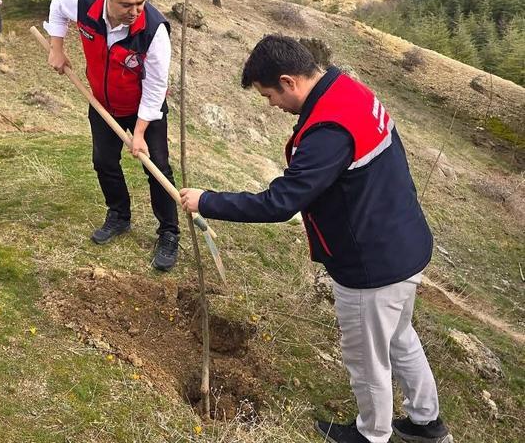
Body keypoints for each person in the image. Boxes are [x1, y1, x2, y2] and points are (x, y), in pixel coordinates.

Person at [179, 35, 450, 443]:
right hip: (402, 242)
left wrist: (207, 201)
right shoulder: (347, 89)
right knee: (399, 336)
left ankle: (372, 434)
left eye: (269, 95)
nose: (271, 105)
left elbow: (280, 202)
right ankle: (426, 422)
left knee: (367, 356)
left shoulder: (328, 129)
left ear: (289, 81)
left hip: (371, 263)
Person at [45, 0, 180, 271]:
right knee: (103, 161)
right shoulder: (84, 1)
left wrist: (141, 133)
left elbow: (156, 86)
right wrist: (56, 47)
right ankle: (119, 216)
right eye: (126, 4)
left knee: (157, 166)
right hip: (102, 102)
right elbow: (56, 6)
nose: (135, 12)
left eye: (141, 2)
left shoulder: (154, 31)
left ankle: (169, 232)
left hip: (144, 105)